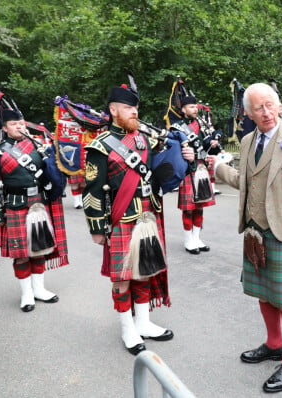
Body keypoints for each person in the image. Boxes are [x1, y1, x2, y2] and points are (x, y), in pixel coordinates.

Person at [209, 82, 282, 393]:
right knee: (264, 292)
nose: (266, 112)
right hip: (254, 231)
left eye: (270, 104)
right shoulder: (247, 141)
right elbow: (246, 181)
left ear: (279, 105)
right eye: (258, 107)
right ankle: (274, 343)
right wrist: (219, 168)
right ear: (248, 113)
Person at [83, 83, 190, 355]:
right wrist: (97, 227)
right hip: (120, 217)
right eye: (129, 108)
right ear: (113, 109)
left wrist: (187, 157)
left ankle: (143, 323)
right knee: (122, 278)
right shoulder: (100, 146)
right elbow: (92, 190)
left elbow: (163, 169)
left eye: (136, 107)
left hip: (147, 215)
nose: (134, 112)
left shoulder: (144, 139)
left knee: (144, 271)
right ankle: (127, 328)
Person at [0, 108, 68, 312]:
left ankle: (39, 289)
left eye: (21, 123)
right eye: (13, 124)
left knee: (39, 248)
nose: (19, 127)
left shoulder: (38, 147)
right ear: (5, 128)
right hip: (16, 205)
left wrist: (51, 158)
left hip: (39, 203)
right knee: (21, 253)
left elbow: (53, 172)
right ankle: (27, 294)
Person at [172, 95, 216, 255]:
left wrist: (213, 144)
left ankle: (197, 238)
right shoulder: (176, 127)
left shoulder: (202, 126)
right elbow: (173, 152)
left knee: (200, 206)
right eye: (191, 107)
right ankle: (188, 240)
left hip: (201, 168)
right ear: (183, 110)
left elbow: (208, 147)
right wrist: (178, 176)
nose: (195, 109)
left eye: (196, 107)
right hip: (186, 169)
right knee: (188, 209)